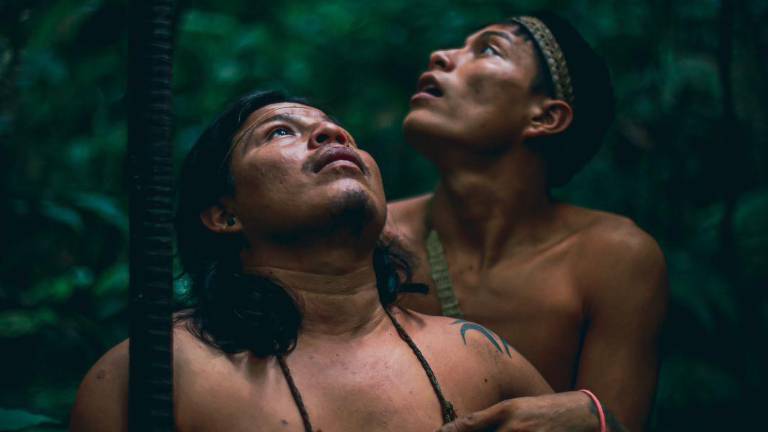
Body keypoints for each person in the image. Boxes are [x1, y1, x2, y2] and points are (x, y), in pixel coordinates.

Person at [70, 90, 616, 432]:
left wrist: (598, 421)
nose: (333, 133)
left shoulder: (479, 356)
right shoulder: (152, 372)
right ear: (223, 214)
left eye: (339, 131)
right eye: (280, 132)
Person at [390, 12, 668, 431]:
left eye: (488, 49)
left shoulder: (613, 260)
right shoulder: (374, 236)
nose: (441, 55)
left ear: (545, 117)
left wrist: (592, 418)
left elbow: (614, 422)